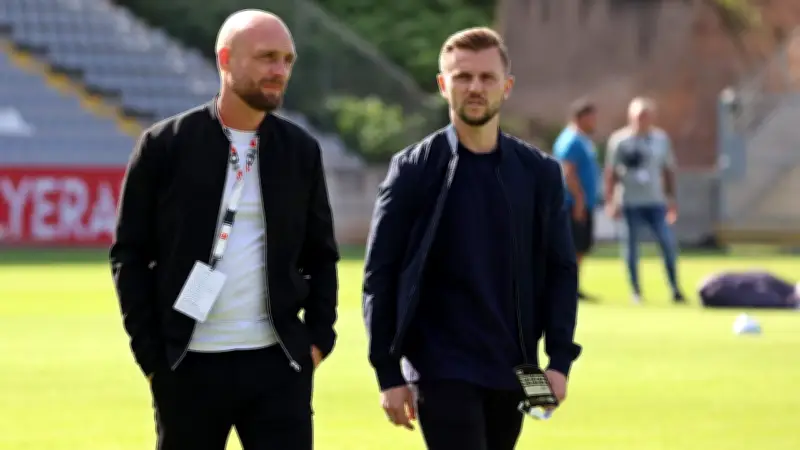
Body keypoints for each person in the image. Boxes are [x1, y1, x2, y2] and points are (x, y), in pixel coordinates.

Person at [109, 9, 339, 450]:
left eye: (287, 60)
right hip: (187, 366)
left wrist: (318, 339)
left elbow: (321, 254)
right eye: (267, 57)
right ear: (226, 59)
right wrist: (152, 357)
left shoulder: (300, 150)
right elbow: (129, 255)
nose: (280, 70)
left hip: (278, 366)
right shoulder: (165, 145)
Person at [362, 27, 582, 450]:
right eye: (463, 77)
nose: (475, 87)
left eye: (486, 77)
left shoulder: (538, 174)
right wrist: (388, 374)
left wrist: (559, 360)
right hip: (439, 367)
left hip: (513, 367)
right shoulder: (413, 170)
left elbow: (560, 271)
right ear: (443, 85)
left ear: (507, 86)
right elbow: (380, 275)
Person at [603, 96, 685, 304]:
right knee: (631, 249)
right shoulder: (620, 140)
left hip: (655, 201)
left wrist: (671, 199)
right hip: (630, 202)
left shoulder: (660, 139)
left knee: (667, 244)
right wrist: (610, 201)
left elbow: (668, 170)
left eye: (646, 116)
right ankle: (636, 291)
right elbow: (611, 173)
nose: (642, 120)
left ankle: (675, 288)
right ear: (631, 117)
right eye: (639, 116)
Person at [553, 99, 601, 301]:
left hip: (584, 203)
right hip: (573, 204)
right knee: (573, 246)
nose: (595, 121)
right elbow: (568, 172)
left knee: (581, 247)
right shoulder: (571, 140)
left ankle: (573, 286)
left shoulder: (583, 139)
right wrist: (579, 199)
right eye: (591, 117)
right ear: (581, 117)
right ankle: (564, 287)